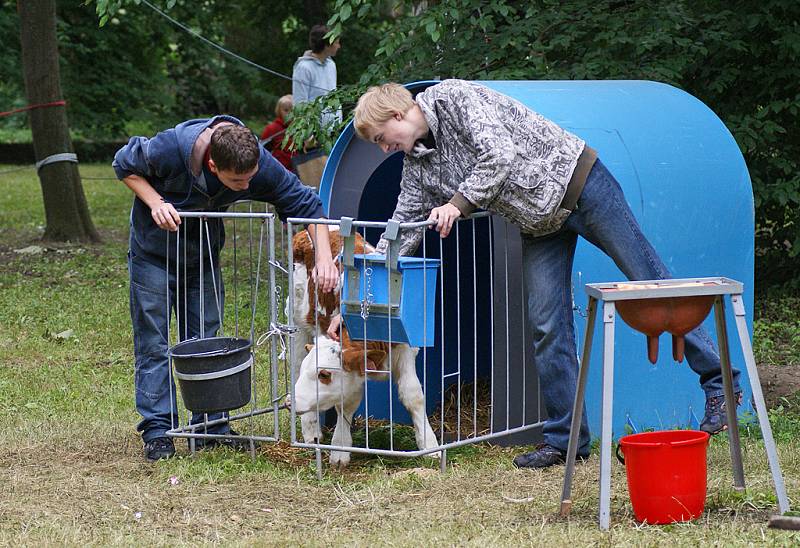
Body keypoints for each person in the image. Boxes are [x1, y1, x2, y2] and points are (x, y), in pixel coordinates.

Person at [351, 80, 742, 469]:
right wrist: (368, 280)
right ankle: (566, 441)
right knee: (546, 323)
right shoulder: (417, 168)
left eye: (382, 138)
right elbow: (403, 226)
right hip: (539, 224)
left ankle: (720, 384)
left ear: (397, 114)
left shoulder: (453, 98)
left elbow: (498, 154)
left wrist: (457, 204)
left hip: (580, 187)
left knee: (649, 280)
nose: (385, 149)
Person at [113, 117, 337, 463]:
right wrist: (156, 202)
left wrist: (323, 258)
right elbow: (123, 163)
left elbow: (308, 204)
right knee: (154, 342)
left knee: (205, 340)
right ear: (213, 165)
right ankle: (159, 431)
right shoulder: (170, 148)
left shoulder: (256, 165)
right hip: (153, 256)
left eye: (250, 179)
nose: (247, 186)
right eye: (237, 182)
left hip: (202, 256)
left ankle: (209, 427)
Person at [292, 24, 342, 130]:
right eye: (337, 43)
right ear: (327, 45)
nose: (339, 46)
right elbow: (300, 102)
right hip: (314, 133)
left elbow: (333, 95)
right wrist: (306, 132)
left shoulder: (331, 64)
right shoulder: (304, 67)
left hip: (333, 130)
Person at [261, 94, 297, 171]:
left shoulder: (301, 129)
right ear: (279, 111)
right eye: (286, 110)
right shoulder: (271, 129)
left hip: (297, 170)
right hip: (277, 170)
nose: (289, 114)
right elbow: (262, 150)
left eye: (292, 110)